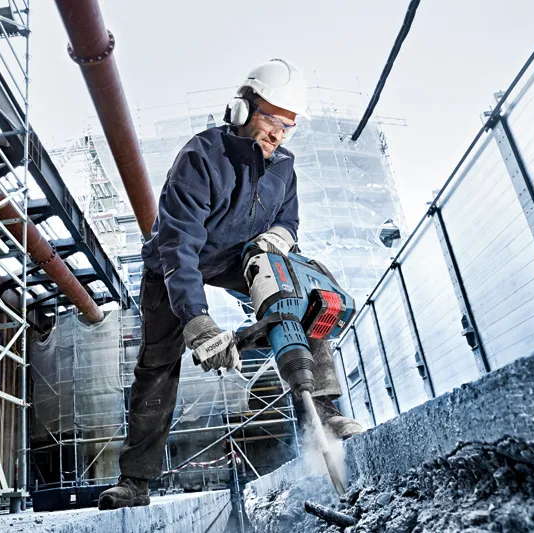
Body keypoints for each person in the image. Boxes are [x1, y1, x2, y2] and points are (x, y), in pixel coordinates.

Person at [98, 59, 364, 510]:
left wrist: (277, 240)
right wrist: (198, 321)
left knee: (296, 297)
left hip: (237, 257)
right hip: (174, 261)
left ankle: (325, 412)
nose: (278, 133)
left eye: (288, 126)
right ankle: (135, 481)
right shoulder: (201, 158)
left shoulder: (284, 167)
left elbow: (288, 218)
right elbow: (178, 246)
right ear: (242, 109)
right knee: (159, 360)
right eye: (271, 119)